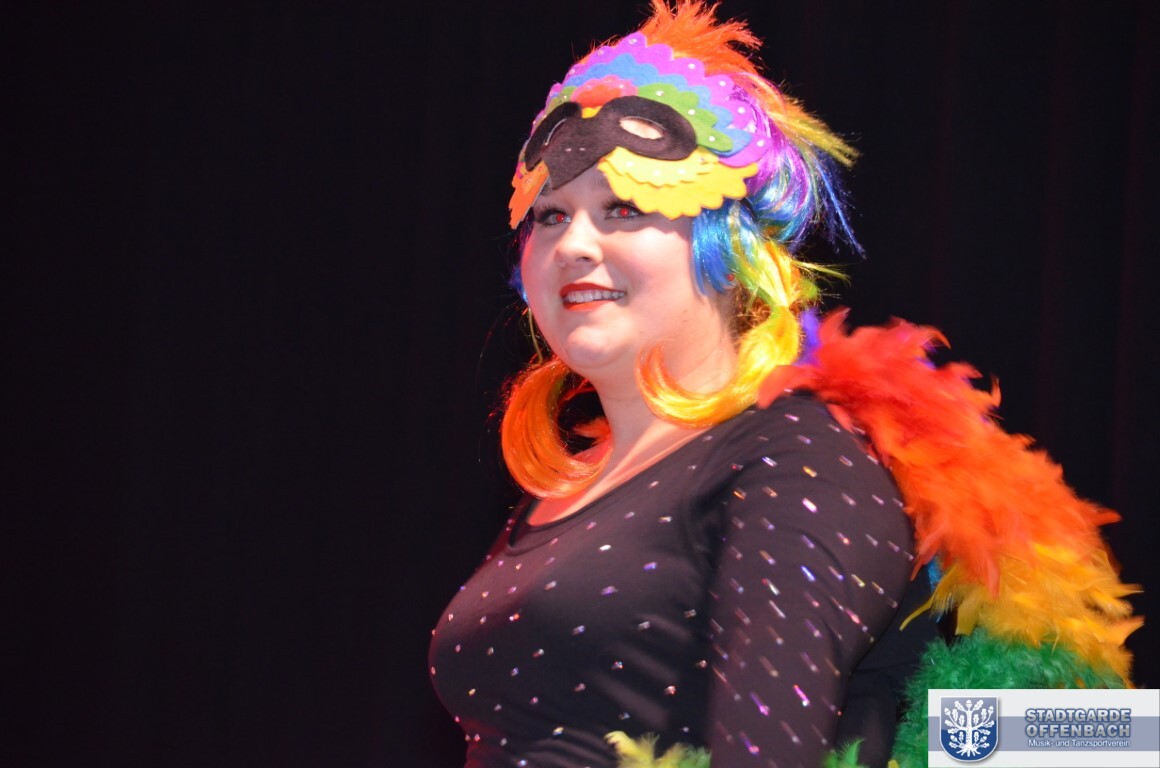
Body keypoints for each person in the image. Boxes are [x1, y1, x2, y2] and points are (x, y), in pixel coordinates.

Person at [428, 3, 1141, 767]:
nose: (574, 243)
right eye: (549, 215)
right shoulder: (571, 486)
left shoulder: (797, 456)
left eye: (623, 209)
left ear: (726, 245)